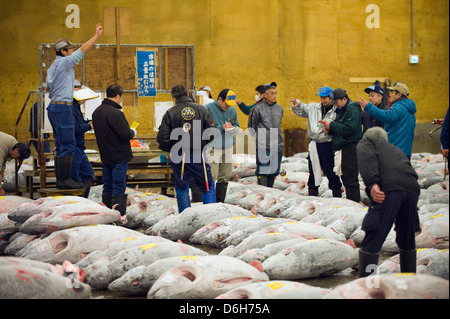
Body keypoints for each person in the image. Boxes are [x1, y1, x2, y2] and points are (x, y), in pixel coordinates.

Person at [356, 127, 420, 277]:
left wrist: (373, 183)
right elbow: (410, 170)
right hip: (412, 190)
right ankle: (408, 282)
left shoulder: (367, 143)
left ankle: (369, 286)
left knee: (373, 237)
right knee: (407, 238)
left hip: (389, 191)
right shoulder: (394, 149)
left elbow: (366, 158)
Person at [46, 23, 102, 190]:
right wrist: (96, 36)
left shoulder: (52, 67)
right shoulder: (64, 63)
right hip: (63, 108)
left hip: (53, 107)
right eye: (69, 50)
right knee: (68, 144)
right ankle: (65, 180)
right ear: (63, 52)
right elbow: (82, 51)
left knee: (61, 145)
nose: (72, 52)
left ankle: (60, 180)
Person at [157, 85, 216, 213]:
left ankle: (185, 217)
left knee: (182, 187)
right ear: (188, 93)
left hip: (179, 155)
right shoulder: (202, 109)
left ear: (173, 98)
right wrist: (202, 144)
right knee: (207, 186)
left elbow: (162, 137)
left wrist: (171, 149)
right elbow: (212, 132)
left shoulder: (170, 113)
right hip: (197, 153)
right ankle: (211, 215)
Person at [92, 85, 135, 224]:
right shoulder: (116, 113)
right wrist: (132, 132)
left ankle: (107, 214)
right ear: (117, 96)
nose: (121, 100)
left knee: (108, 183)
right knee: (118, 184)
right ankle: (119, 217)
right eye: (121, 97)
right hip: (119, 155)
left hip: (106, 154)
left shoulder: (96, 112)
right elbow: (125, 134)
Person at [289, 87, 343, 197]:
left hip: (328, 144)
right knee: (313, 171)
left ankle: (337, 196)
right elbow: (303, 109)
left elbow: (340, 126)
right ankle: (313, 196)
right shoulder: (314, 107)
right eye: (321, 98)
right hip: (315, 144)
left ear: (331, 97)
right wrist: (297, 104)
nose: (323, 100)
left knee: (331, 171)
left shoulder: (336, 110)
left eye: (325, 98)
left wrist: (331, 129)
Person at [321, 88, 362, 203]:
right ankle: (351, 204)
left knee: (351, 179)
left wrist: (332, 125)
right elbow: (342, 127)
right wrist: (330, 130)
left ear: (344, 99)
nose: (336, 105)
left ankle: (354, 205)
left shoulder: (352, 109)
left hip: (351, 147)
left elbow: (349, 129)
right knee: (346, 178)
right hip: (344, 148)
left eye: (337, 102)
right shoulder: (343, 109)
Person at [358, 82, 416, 159]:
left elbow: (387, 116)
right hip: (404, 152)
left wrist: (368, 106)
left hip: (396, 152)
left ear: (399, 94)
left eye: (392, 92)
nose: (390, 94)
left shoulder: (399, 107)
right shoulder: (408, 109)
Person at [205, 89, 240, 202]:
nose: (228, 107)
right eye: (226, 104)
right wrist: (221, 128)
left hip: (228, 146)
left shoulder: (232, 109)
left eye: (231, 104)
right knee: (212, 175)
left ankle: (220, 202)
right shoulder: (208, 108)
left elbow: (237, 126)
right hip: (213, 147)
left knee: (225, 176)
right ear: (220, 99)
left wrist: (234, 129)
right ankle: (209, 202)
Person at [248, 82, 284, 187]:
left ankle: (270, 193)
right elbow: (251, 127)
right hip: (263, 146)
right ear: (265, 95)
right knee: (263, 170)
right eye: (272, 93)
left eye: (275, 93)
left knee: (274, 171)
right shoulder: (257, 109)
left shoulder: (279, 109)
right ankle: (263, 193)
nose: (274, 96)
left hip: (277, 145)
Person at [71, 81, 95, 198]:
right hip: (73, 147)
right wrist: (89, 126)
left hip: (79, 147)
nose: (85, 100)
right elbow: (74, 128)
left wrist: (87, 123)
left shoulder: (76, 107)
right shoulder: (71, 107)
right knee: (74, 179)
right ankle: (75, 205)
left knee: (88, 174)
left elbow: (78, 124)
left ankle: (82, 200)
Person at [0, 131, 31, 196]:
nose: (16, 159)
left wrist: (2, 170)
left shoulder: (11, 144)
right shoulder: (2, 146)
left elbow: (3, 161)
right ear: (16, 150)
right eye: (18, 157)